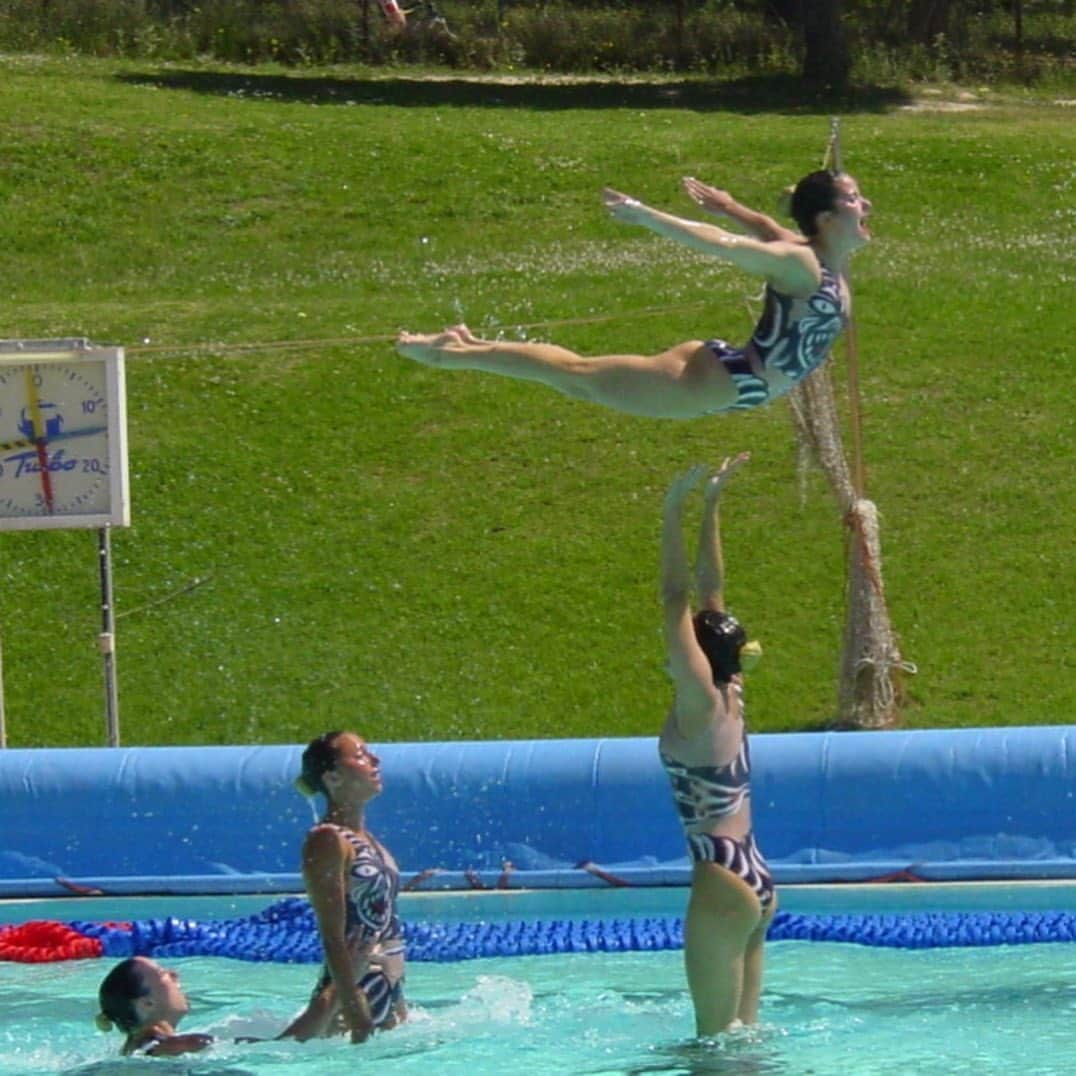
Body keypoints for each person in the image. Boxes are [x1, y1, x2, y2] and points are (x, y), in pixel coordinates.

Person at [396, 171, 871, 419]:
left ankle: (466, 346)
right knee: (575, 376)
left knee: (577, 376)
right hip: (724, 384)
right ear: (826, 220)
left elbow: (767, 227)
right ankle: (448, 354)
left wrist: (730, 205)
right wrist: (648, 217)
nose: (865, 204)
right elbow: (724, 244)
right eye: (853, 199)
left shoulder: (822, 260)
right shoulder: (802, 266)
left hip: (728, 375)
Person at [658, 453, 776, 1037]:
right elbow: (711, 591)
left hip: (718, 871)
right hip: (754, 870)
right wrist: (713, 504)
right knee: (745, 1041)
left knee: (712, 1047)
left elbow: (676, 599)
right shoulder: (733, 692)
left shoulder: (700, 702)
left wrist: (671, 510)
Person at [279, 730, 407, 1044]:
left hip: (384, 993)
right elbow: (332, 934)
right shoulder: (327, 840)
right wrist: (353, 1007)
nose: (375, 760)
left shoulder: (369, 840)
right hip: (352, 999)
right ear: (333, 778)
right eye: (361, 755)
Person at [95, 957, 213, 1057]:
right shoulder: (162, 1048)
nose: (174, 974)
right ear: (147, 1003)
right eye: (162, 974)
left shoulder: (138, 1048)